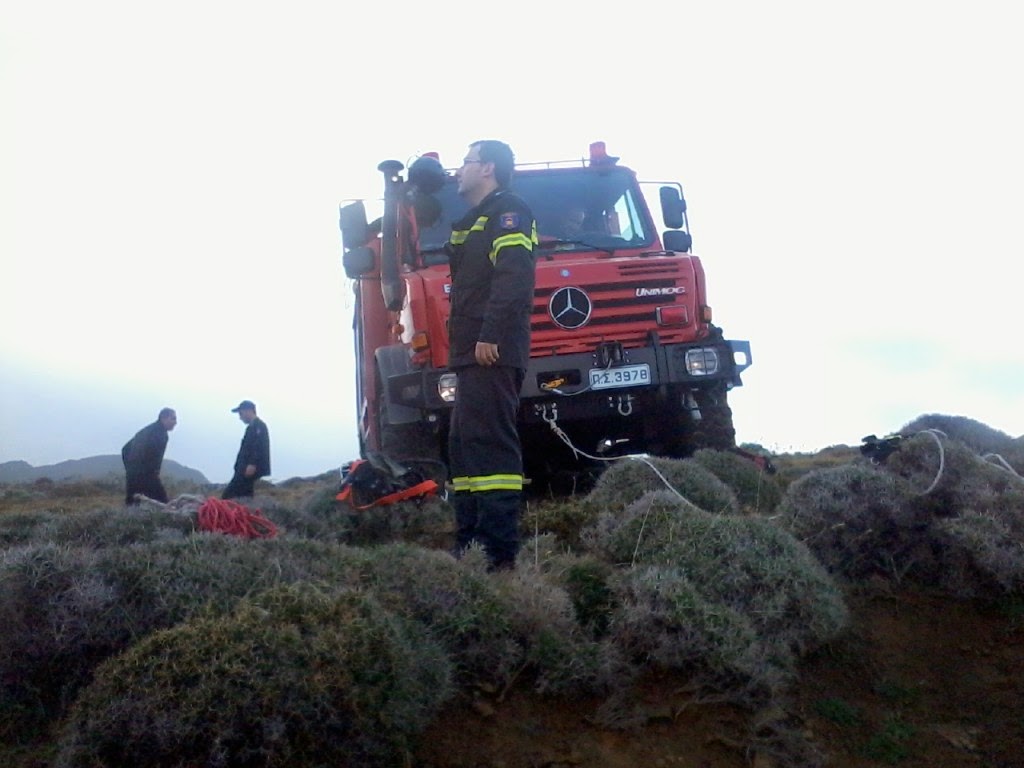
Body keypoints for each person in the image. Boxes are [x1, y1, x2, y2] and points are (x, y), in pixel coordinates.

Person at [446, 139, 538, 570]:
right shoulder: (473, 220)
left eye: (465, 163)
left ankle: (499, 560)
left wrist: (491, 336)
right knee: (465, 454)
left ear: (486, 168)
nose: (457, 170)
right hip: (469, 353)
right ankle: (469, 550)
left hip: (490, 351)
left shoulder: (510, 212)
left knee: (493, 453)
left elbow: (513, 279)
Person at [121, 408, 177, 505]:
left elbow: (125, 449)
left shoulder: (150, 430)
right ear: (163, 418)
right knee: (163, 504)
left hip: (135, 475)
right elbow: (151, 457)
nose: (175, 422)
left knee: (133, 505)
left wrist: (130, 470)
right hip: (146, 476)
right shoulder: (159, 434)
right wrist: (145, 471)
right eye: (173, 419)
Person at [222, 400, 271, 499]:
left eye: (241, 413)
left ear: (249, 411)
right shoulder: (252, 427)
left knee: (229, 495)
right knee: (244, 496)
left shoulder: (259, 426)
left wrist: (252, 464)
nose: (240, 417)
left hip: (248, 470)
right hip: (244, 469)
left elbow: (258, 446)